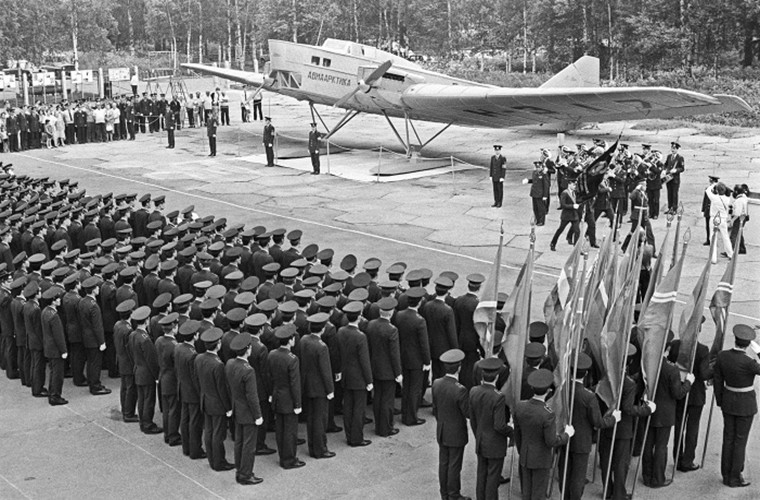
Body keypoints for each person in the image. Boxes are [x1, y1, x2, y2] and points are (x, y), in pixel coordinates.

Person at [599, 344, 655, 500]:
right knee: (620, 464)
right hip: (623, 429)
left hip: (607, 425)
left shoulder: (607, 377)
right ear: (630, 362)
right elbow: (628, 408)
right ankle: (619, 495)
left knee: (606, 461)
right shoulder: (629, 384)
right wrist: (646, 410)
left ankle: (607, 491)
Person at [560, 353, 619, 500]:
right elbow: (598, 422)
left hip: (566, 437)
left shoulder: (563, 388)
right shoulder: (589, 396)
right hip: (582, 441)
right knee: (578, 477)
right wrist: (613, 419)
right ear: (586, 373)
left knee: (565, 472)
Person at [641, 335, 693, 488]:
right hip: (665, 412)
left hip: (649, 408)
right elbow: (677, 393)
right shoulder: (671, 369)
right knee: (661, 446)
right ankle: (658, 478)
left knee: (648, 444)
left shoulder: (647, 364)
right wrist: (688, 382)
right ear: (667, 349)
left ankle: (647, 475)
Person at [514, 369, 573, 500]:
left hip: (525, 455)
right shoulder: (547, 414)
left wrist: (521, 450)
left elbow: (517, 433)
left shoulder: (520, 406)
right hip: (541, 459)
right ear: (548, 391)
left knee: (526, 492)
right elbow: (551, 441)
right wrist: (566, 435)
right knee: (538, 494)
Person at [714, 324, 760, 488]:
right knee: (740, 441)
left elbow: (718, 381)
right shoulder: (749, 362)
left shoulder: (722, 356)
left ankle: (726, 473)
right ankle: (735, 476)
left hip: (728, 401)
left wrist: (720, 400)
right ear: (748, 344)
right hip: (745, 404)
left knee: (728, 438)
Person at [668, 329, 711, 472]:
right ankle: (688, 460)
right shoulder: (702, 349)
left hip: (679, 392)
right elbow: (704, 374)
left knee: (679, 426)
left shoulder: (675, 345)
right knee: (692, 428)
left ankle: (677, 458)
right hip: (696, 394)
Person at [469, 357, 512, 500]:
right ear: (497, 376)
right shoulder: (498, 397)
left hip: (481, 440)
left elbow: (473, 420)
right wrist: (511, 431)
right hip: (495, 444)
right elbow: (499, 425)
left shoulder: (474, 391)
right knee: (492, 480)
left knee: (481, 476)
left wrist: (478, 435)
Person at [225, 332, 265, 485]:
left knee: (239, 442)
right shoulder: (248, 370)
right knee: (249, 445)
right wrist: (258, 415)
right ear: (248, 349)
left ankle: (240, 470)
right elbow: (252, 396)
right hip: (248, 412)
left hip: (237, 408)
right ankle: (246, 474)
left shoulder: (230, 363)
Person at [433, 349, 470, 500]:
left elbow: (435, 408)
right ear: (459, 368)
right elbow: (467, 413)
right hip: (456, 432)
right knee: (454, 465)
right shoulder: (460, 390)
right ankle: (454, 494)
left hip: (442, 429)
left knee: (444, 463)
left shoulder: (436, 383)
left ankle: (444, 494)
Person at [195, 327, 234, 471]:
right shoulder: (218, 364)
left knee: (209, 432)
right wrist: (228, 407)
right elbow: (222, 389)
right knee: (218, 434)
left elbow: (197, 379)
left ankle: (212, 460)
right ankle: (219, 462)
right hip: (217, 404)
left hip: (205, 400)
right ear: (218, 344)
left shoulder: (199, 358)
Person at [336, 301, 373, 447]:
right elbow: (364, 361)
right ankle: (357, 438)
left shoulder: (340, 331)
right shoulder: (360, 336)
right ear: (359, 317)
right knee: (359, 409)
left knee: (348, 407)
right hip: (358, 377)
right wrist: (369, 380)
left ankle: (349, 434)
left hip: (346, 374)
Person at [268, 324, 305, 468]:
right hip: (289, 399)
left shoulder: (272, 354)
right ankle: (289, 459)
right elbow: (294, 384)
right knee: (290, 431)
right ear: (290, 340)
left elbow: (269, 376)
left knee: (280, 429)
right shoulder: (292, 359)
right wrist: (298, 404)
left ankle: (282, 456)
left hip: (277, 396)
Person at [300, 312, 336, 459]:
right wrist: (330, 389)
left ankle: (313, 447)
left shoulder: (304, 340)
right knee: (320, 420)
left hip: (308, 385)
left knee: (312, 419)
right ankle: (321, 449)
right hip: (320, 387)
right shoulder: (321, 346)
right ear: (322, 329)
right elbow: (325, 371)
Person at [366, 296, 403, 437]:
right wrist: (398, 373)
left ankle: (378, 426)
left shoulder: (371, 325)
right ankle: (386, 427)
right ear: (391, 312)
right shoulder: (392, 330)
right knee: (387, 401)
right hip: (387, 370)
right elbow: (394, 354)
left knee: (377, 398)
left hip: (374, 367)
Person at [396, 286, 431, 426]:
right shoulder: (420, 320)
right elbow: (424, 343)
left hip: (403, 356)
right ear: (419, 302)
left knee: (406, 387)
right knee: (414, 389)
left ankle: (405, 413)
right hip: (416, 359)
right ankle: (411, 417)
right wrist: (427, 361)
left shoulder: (399, 315)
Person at [129, 305, 162, 434]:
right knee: (149, 400)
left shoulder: (132, 335)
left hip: (138, 370)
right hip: (147, 374)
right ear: (147, 320)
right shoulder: (145, 340)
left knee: (142, 399)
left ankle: (143, 421)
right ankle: (148, 424)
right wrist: (156, 376)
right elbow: (152, 360)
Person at [78, 276, 111, 395]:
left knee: (91, 362)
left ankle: (92, 383)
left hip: (86, 336)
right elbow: (97, 326)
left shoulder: (82, 301)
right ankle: (95, 385)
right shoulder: (94, 306)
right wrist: (102, 341)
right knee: (95, 363)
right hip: (94, 338)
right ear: (93, 290)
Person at [155, 313, 181, 446]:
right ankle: (173, 436)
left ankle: (167, 433)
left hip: (162, 376)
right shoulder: (174, 345)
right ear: (174, 327)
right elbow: (177, 367)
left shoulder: (159, 341)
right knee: (173, 410)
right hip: (171, 380)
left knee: (166, 409)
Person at [41, 286, 67, 406]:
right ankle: (55, 396)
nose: (59, 300)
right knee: (58, 374)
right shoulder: (54, 316)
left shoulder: (45, 312)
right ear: (53, 300)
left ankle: (52, 393)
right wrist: (63, 350)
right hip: (56, 349)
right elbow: (59, 336)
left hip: (48, 347)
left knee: (53, 372)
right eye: (57, 299)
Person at [705, 182, 734, 261]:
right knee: (725, 237)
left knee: (713, 237)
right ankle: (730, 254)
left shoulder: (714, 198)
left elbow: (708, 190)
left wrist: (714, 184)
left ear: (717, 190)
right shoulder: (727, 199)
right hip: (723, 219)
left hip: (714, 218)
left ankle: (713, 258)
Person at [550, 178, 580, 251]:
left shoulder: (574, 192)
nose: (575, 186)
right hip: (566, 215)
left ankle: (576, 248)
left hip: (574, 215)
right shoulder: (565, 193)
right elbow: (563, 205)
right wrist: (572, 206)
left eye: (575, 185)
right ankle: (553, 243)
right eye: (573, 185)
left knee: (577, 231)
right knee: (560, 230)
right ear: (569, 184)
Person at [525, 161, 551, 225]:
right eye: (537, 167)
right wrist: (528, 181)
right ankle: (537, 219)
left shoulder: (544, 174)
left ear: (541, 167)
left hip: (540, 194)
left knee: (541, 209)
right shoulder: (534, 173)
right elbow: (534, 181)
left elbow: (546, 185)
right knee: (535, 208)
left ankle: (541, 221)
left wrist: (545, 195)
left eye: (539, 167)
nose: (538, 169)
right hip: (534, 193)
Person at [663, 141, 685, 214]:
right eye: (672, 148)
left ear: (677, 149)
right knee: (669, 193)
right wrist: (664, 170)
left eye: (674, 148)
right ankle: (670, 208)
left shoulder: (680, 158)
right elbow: (665, 164)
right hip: (668, 178)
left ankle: (674, 209)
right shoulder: (669, 156)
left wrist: (676, 170)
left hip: (675, 179)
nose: (673, 150)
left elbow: (682, 168)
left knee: (674, 194)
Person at [729, 184, 748, 254]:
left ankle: (731, 251)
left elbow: (737, 213)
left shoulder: (739, 200)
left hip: (738, 218)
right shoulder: (744, 197)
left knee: (733, 235)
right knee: (740, 233)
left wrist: (732, 220)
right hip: (743, 218)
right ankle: (742, 249)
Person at [702, 176, 719, 245]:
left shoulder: (718, 190)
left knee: (714, 226)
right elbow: (705, 200)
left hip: (714, 210)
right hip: (708, 210)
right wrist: (703, 209)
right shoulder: (708, 189)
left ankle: (713, 239)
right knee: (708, 226)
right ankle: (708, 239)